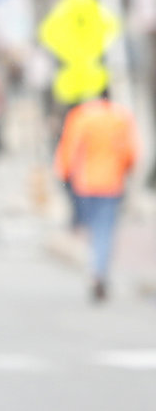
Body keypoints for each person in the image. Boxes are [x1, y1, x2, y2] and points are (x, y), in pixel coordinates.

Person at [54, 90, 139, 302]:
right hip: (112, 183)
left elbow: (69, 149)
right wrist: (126, 169)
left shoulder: (81, 116)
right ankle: (99, 272)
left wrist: (64, 174)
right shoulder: (121, 117)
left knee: (91, 229)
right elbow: (129, 152)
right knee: (105, 230)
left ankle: (94, 270)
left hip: (85, 183)